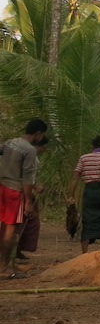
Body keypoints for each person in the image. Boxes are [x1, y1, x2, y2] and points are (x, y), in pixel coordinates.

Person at [0, 119, 48, 277]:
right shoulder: (29, 150)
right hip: (15, 191)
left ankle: (6, 264)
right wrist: (28, 201)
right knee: (10, 230)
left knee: (5, 227)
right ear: (38, 134)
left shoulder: (10, 142)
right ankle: (5, 268)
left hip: (3, 187)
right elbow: (28, 179)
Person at [68, 136, 100, 254]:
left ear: (93, 146)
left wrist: (70, 194)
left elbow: (75, 176)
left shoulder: (84, 158)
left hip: (89, 192)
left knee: (88, 220)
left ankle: (84, 252)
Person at [16, 136, 49, 262]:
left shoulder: (28, 154)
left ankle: (17, 249)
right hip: (22, 192)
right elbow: (24, 175)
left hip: (23, 191)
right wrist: (35, 186)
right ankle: (13, 250)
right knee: (26, 221)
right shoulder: (29, 154)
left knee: (26, 221)